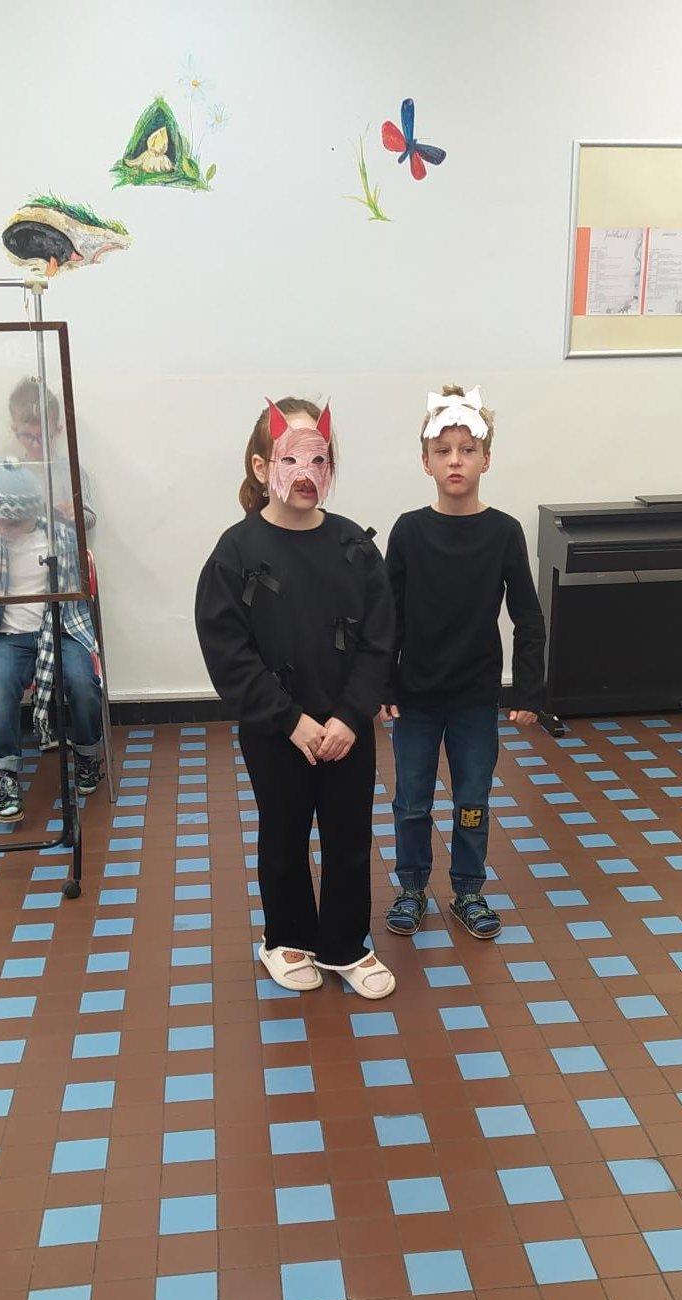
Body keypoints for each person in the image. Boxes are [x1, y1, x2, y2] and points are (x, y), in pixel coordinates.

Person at [195, 397, 396, 998]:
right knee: (283, 833)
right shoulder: (235, 552)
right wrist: (291, 720)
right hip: (276, 729)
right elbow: (228, 650)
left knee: (348, 833)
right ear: (262, 467)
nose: (307, 473)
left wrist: (351, 716)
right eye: (291, 458)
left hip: (346, 729)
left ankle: (345, 943)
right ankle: (285, 938)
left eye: (320, 459)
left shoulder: (355, 547)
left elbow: (380, 638)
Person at [381, 384, 546, 940]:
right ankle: (411, 888)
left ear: (487, 459)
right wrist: (383, 684)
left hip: (476, 698)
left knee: (472, 800)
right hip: (416, 697)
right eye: (444, 450)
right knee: (411, 802)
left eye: (468, 450)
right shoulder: (408, 531)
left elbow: (528, 616)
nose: (456, 460)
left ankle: (469, 890)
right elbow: (388, 616)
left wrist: (527, 690)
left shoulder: (504, 532)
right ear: (425, 461)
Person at [0, 458, 104, 824]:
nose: (4, 527)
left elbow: (78, 595)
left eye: (12, 521)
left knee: (82, 683)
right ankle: (7, 776)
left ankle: (88, 756)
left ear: (32, 513)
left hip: (62, 628)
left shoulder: (60, 538)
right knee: (0, 689)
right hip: (7, 635)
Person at [8, 378, 96, 532]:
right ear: (15, 430)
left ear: (57, 431)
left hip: (62, 546)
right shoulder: (10, 473)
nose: (36, 444)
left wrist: (77, 514)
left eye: (43, 436)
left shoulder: (71, 472)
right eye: (28, 436)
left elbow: (90, 518)